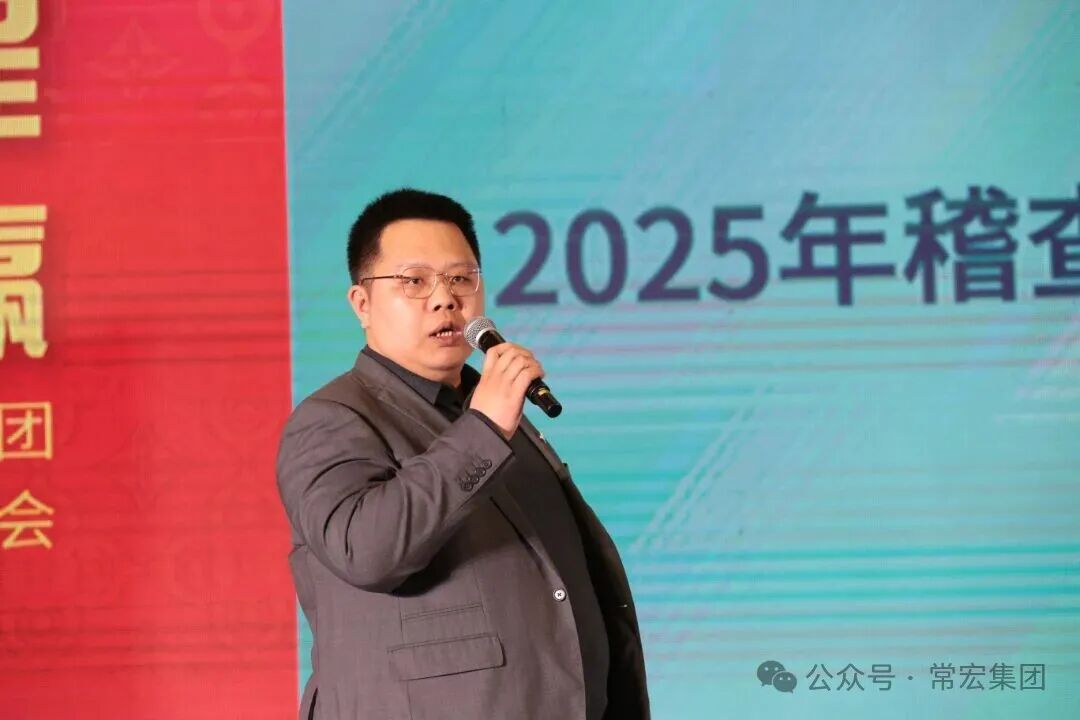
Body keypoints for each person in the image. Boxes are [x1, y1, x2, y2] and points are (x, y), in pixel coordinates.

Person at [275, 188, 649, 720]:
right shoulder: (333, 419)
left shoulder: (488, 409)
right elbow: (367, 551)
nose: (445, 299)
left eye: (460, 278)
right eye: (414, 281)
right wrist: (485, 428)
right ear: (362, 303)